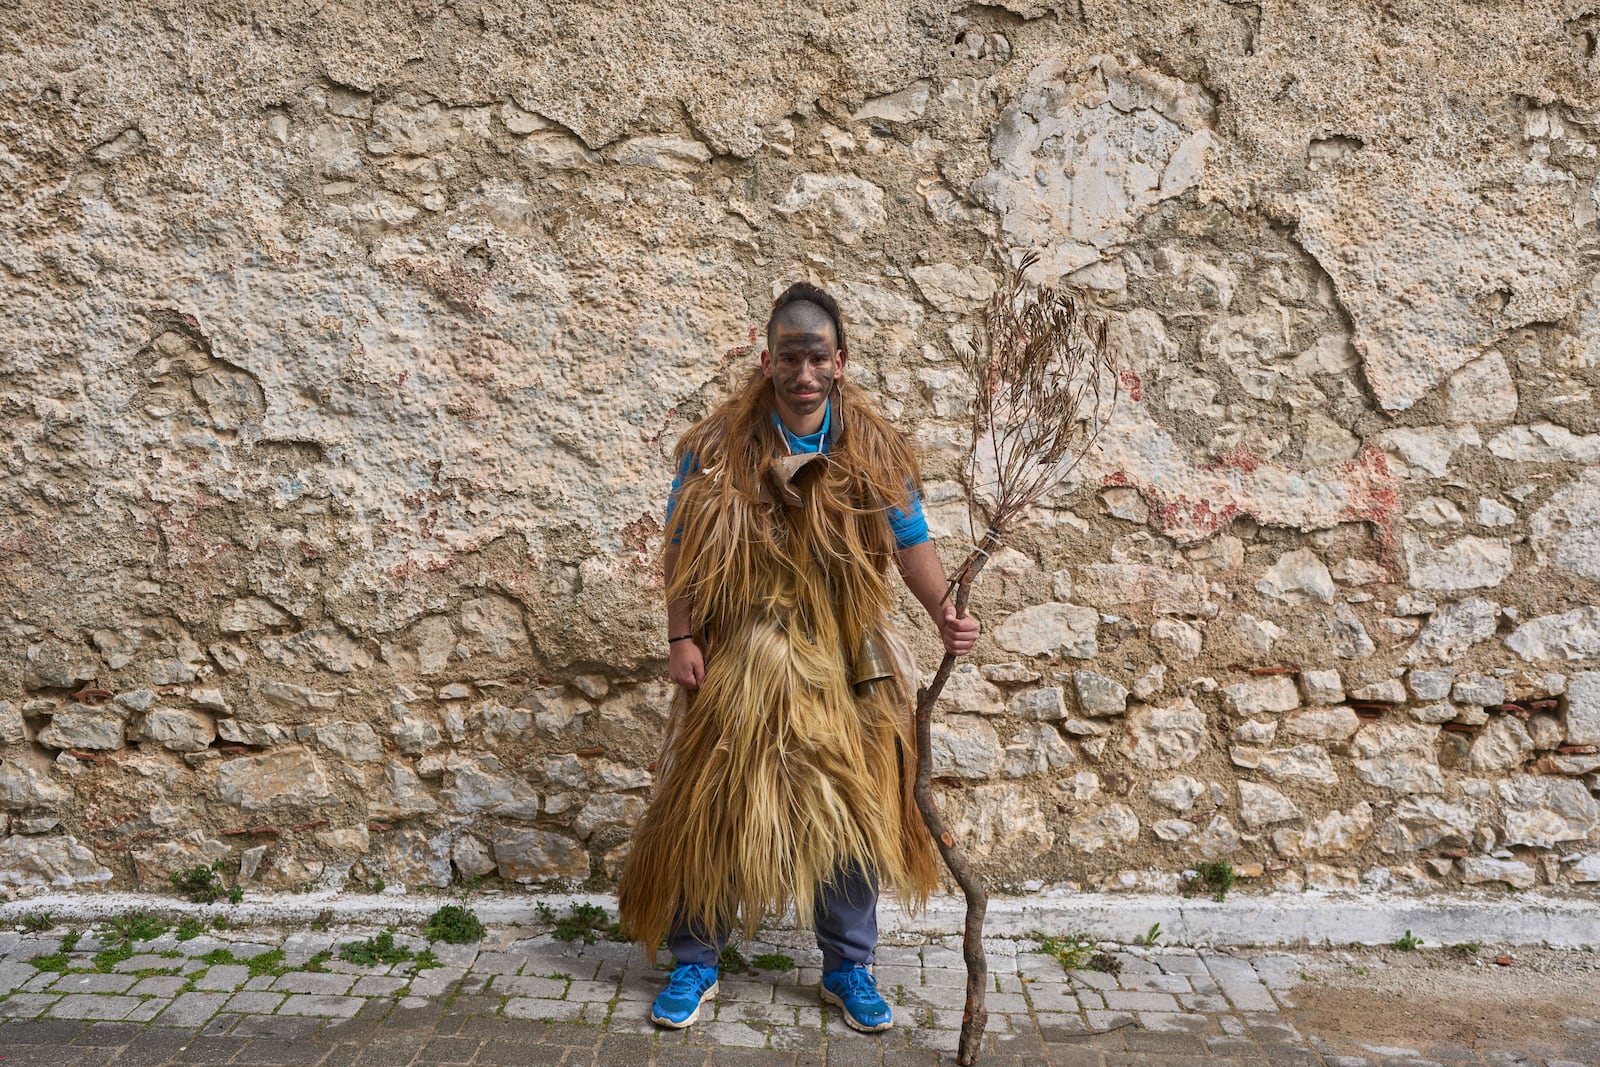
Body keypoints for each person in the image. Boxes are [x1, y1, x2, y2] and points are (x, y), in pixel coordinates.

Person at [617, 282, 980, 1034]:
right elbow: (680, 547)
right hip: (741, 653)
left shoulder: (871, 448)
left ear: (839, 362)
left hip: (845, 657)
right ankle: (695, 959)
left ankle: (848, 966)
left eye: (817, 356)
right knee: (712, 805)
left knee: (851, 808)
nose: (803, 371)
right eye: (790, 356)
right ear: (767, 360)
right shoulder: (717, 447)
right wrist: (680, 638)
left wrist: (945, 612)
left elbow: (911, 541)